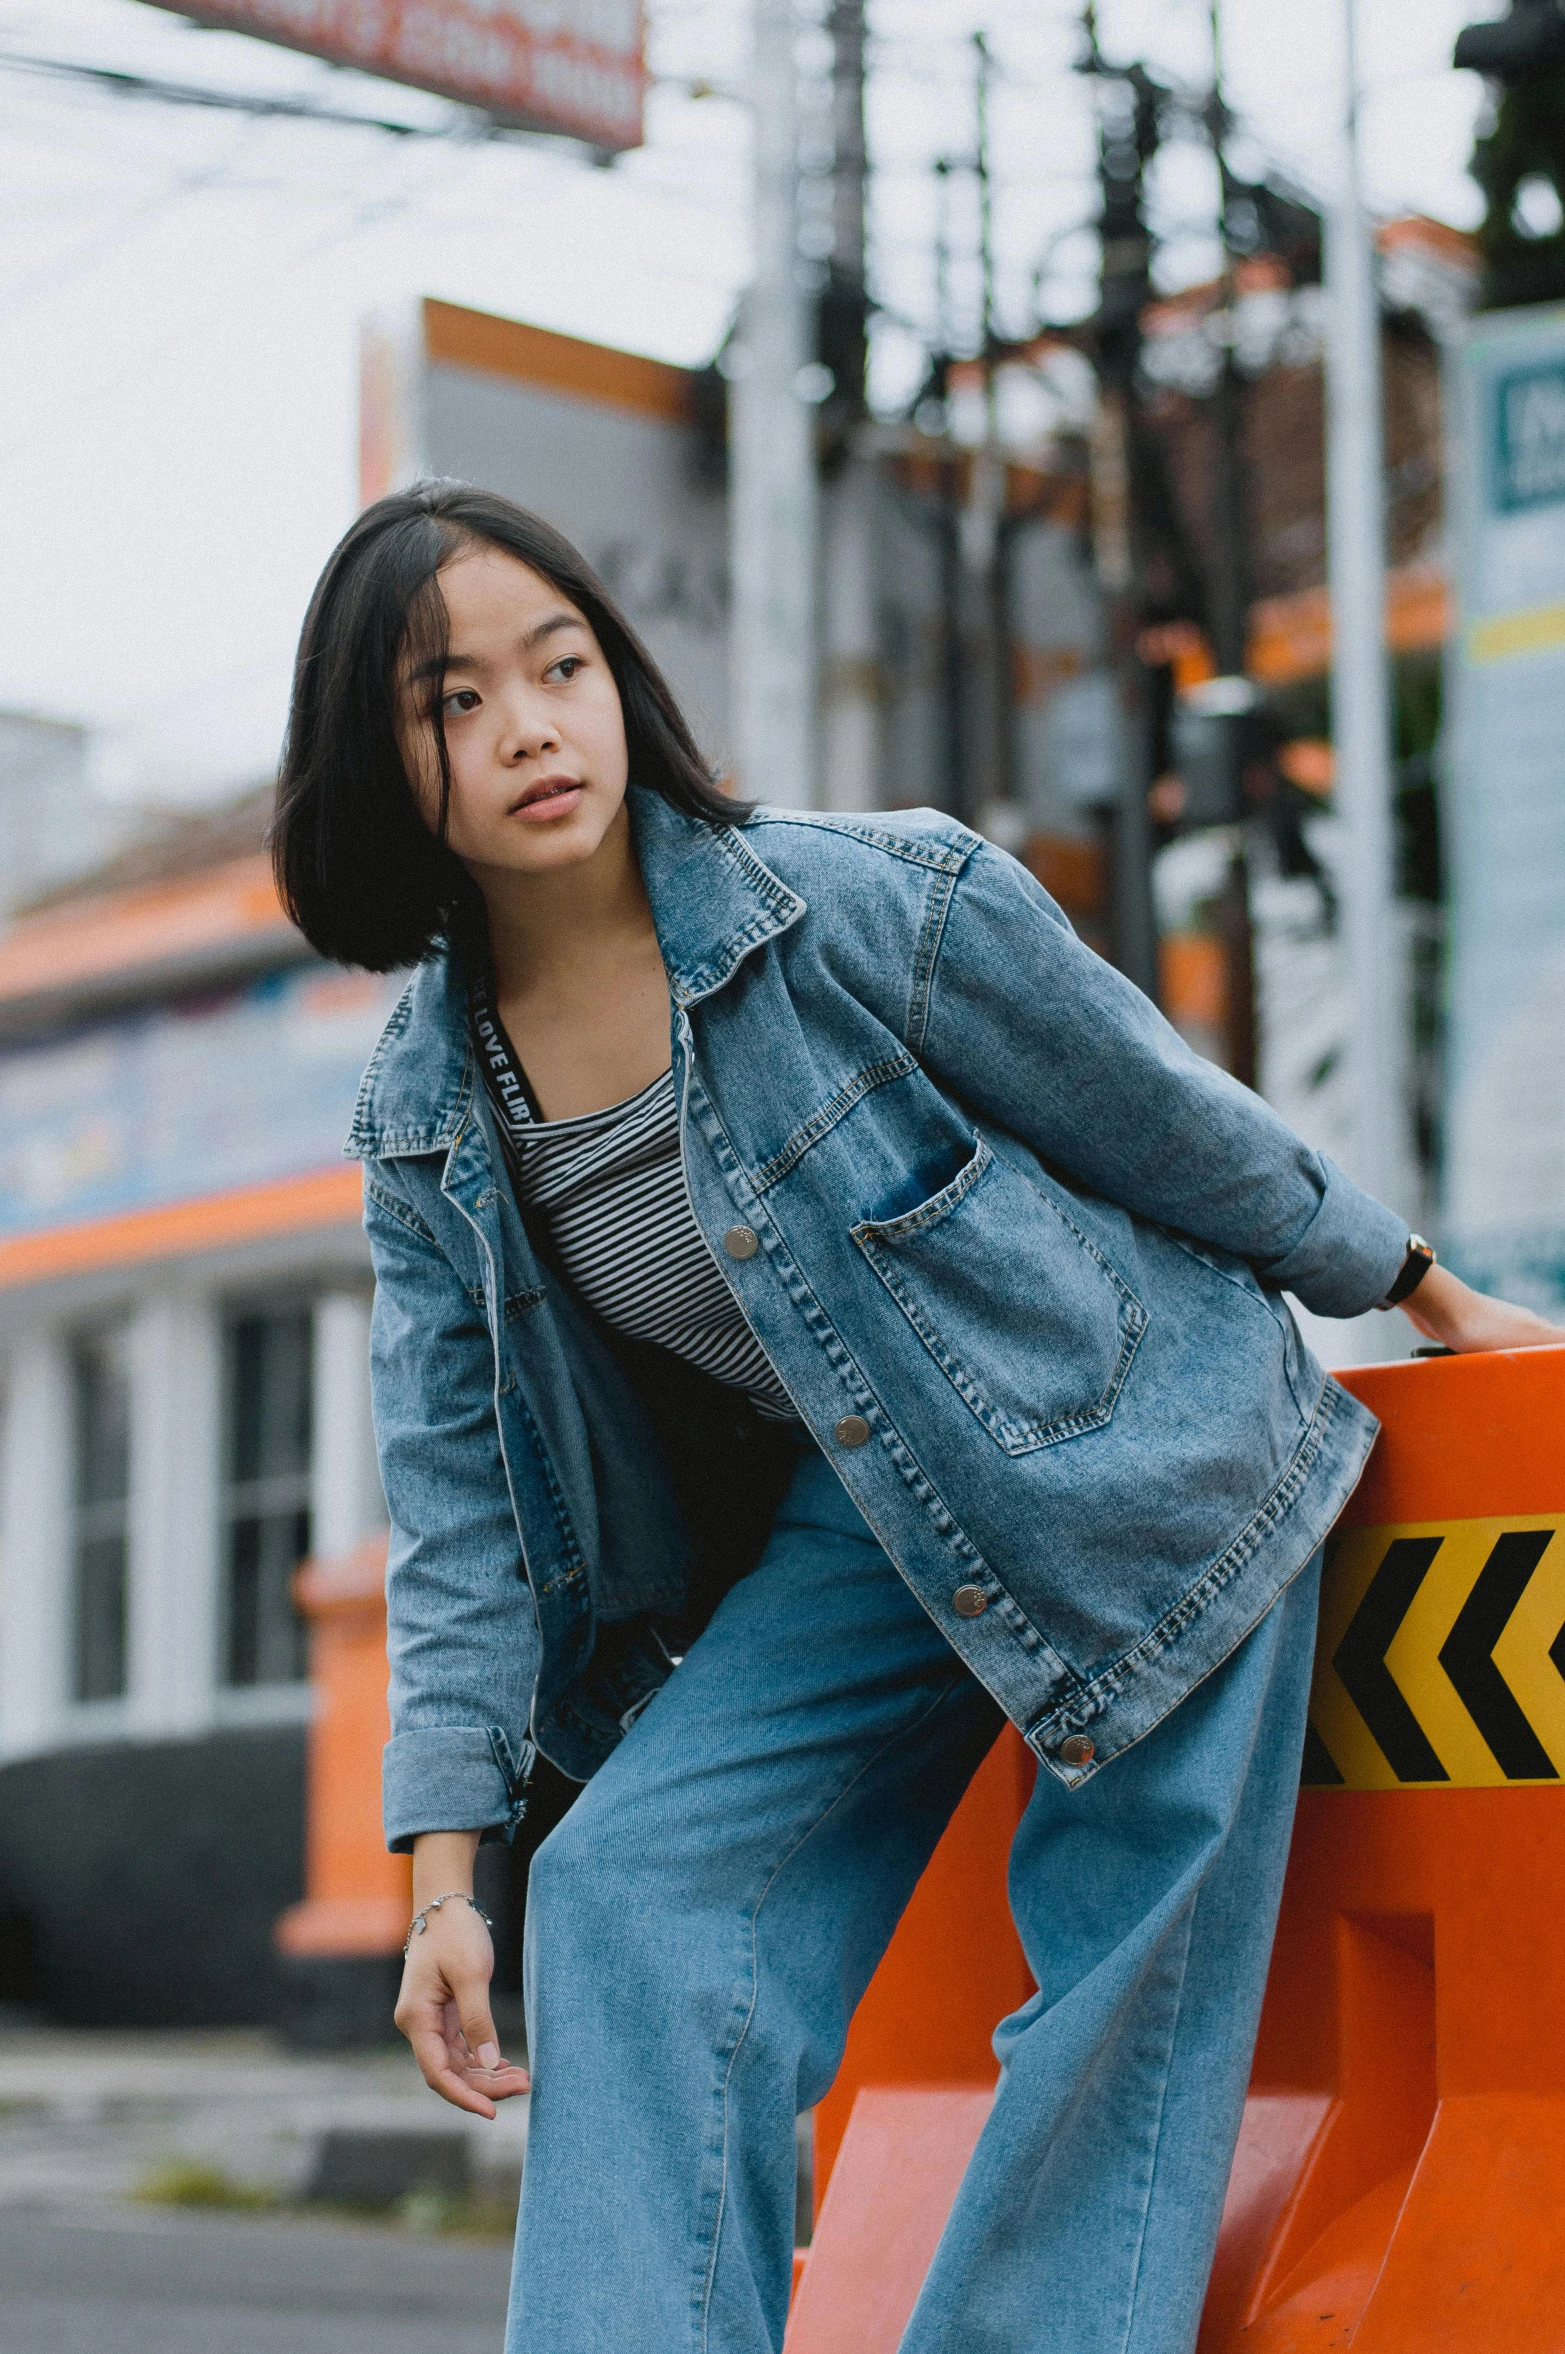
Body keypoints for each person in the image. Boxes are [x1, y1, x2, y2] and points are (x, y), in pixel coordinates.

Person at [271, 481, 1559, 2354]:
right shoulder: (426, 1114)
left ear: (622, 676)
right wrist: (444, 1886)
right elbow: (457, 1506)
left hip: (1148, 1469)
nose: (533, 727)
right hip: (868, 1523)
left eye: (561, 664)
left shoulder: (862, 899)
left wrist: (1418, 1284)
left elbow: (1158, 1112)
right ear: (379, 770)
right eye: (451, 701)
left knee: (1117, 1996)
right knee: (630, 1892)